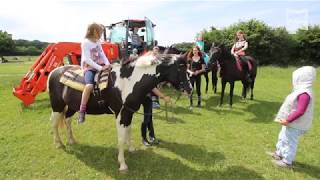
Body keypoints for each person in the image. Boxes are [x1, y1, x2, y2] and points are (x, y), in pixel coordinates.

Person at [267, 66, 316, 167]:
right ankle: (279, 153)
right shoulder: (301, 91)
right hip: (291, 122)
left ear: (302, 78)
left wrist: (288, 120)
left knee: (290, 141)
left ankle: (287, 161)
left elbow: (300, 111)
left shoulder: (305, 94)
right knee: (283, 137)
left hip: (296, 124)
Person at [78, 23, 111, 123]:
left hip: (99, 65)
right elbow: (87, 59)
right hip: (89, 67)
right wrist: (101, 68)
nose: (101, 33)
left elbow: (102, 54)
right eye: (100, 31)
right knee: (89, 86)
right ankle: (82, 111)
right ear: (94, 31)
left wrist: (108, 64)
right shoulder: (85, 43)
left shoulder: (97, 42)